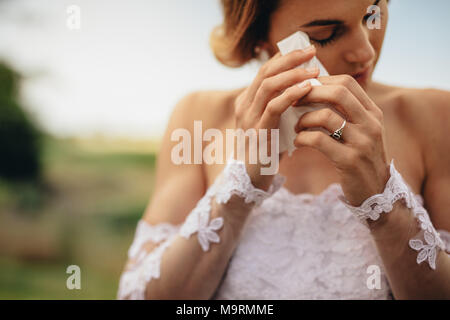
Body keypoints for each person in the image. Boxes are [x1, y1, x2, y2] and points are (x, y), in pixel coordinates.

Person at [117, 0, 450, 299]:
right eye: (326, 34)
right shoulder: (198, 117)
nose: (365, 52)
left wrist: (382, 199)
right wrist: (240, 185)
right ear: (259, 37)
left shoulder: (434, 116)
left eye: (373, 13)